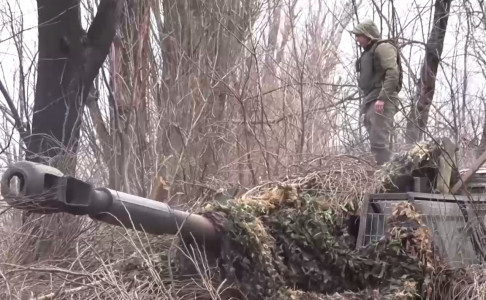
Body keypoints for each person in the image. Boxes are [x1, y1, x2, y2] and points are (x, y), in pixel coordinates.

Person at [352, 20, 400, 165]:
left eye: (359, 35)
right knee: (375, 140)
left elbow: (392, 73)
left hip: (381, 98)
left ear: (368, 35)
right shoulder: (369, 51)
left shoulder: (383, 48)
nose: (357, 39)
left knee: (379, 142)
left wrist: (382, 98)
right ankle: (384, 171)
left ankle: (388, 176)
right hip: (371, 98)